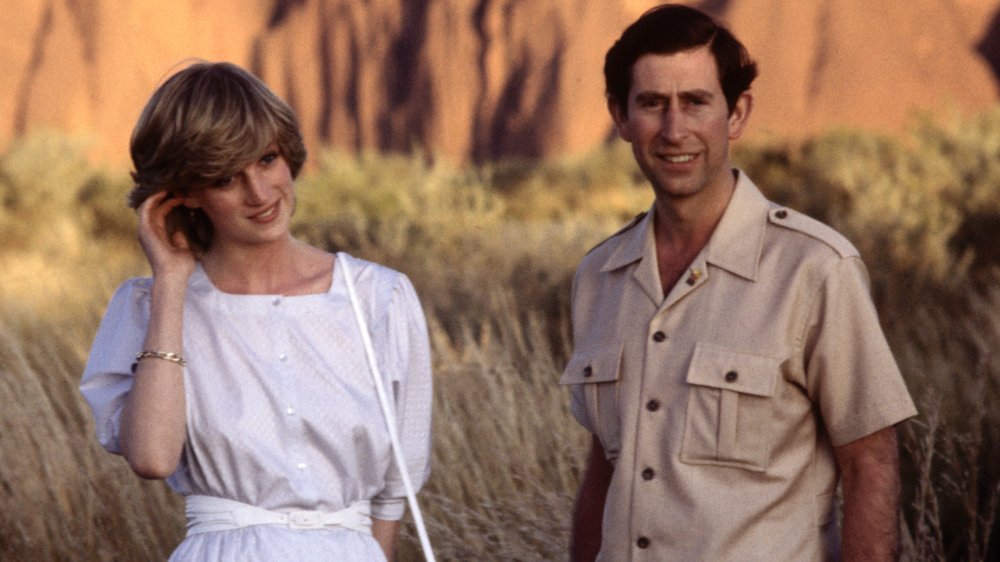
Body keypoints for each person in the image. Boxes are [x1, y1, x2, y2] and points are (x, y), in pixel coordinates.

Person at [561, 5, 916, 561]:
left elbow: (869, 462)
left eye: (696, 102)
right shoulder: (598, 279)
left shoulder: (815, 270)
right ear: (620, 116)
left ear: (736, 113)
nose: (674, 130)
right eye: (653, 104)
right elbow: (605, 470)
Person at [79, 61, 432, 562]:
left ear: (288, 154)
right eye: (225, 178)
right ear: (185, 194)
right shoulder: (148, 304)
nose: (260, 194)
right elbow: (154, 457)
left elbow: (395, 492)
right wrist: (172, 282)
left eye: (267, 160)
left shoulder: (379, 297)